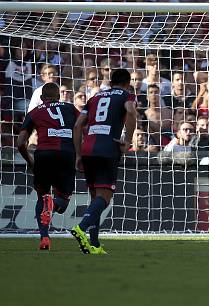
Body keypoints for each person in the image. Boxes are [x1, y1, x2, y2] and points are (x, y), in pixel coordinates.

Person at [70, 69, 137, 255]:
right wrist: (128, 140)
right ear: (127, 82)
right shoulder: (126, 94)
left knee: (95, 198)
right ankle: (81, 228)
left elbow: (77, 125)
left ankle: (94, 244)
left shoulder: (94, 97)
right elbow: (131, 112)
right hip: (108, 148)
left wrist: (77, 154)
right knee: (105, 197)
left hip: (88, 149)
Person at [17, 83, 79, 250]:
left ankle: (44, 238)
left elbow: (20, 143)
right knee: (62, 203)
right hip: (66, 155)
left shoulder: (34, 112)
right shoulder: (70, 108)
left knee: (42, 197)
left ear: (42, 98)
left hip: (43, 155)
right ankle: (53, 203)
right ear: (59, 96)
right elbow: (82, 127)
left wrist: (31, 162)